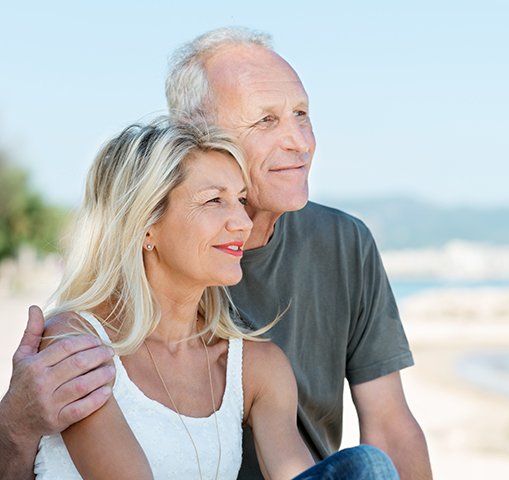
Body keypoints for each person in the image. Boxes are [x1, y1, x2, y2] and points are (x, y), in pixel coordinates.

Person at [0, 27, 432, 480]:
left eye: (302, 113)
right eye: (266, 120)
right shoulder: (81, 345)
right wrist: (13, 425)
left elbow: (384, 426)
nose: (300, 141)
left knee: (366, 466)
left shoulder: (261, 352)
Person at [31, 118, 398, 479]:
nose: (242, 221)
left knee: (367, 466)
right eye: (213, 201)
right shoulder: (76, 344)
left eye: (240, 200)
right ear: (147, 224)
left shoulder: (254, 365)